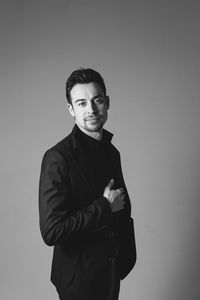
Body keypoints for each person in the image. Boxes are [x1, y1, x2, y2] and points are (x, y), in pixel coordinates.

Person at [39, 68, 136, 300]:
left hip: (111, 274)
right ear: (71, 110)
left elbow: (121, 211)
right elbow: (52, 231)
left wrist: (125, 258)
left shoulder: (112, 152)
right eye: (81, 103)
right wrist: (104, 206)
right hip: (78, 282)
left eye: (97, 100)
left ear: (107, 103)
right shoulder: (57, 157)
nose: (91, 110)